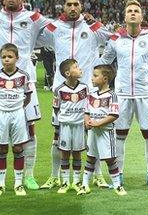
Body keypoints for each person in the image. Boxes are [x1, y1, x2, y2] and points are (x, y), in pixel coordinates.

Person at [0, 0, 51, 192]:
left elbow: (57, 28)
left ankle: (29, 176)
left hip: (25, 81)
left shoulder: (34, 17)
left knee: (30, 126)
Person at [38, 0, 111, 190]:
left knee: (92, 132)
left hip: (87, 91)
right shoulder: (55, 27)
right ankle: (55, 176)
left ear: (81, 6)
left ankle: (97, 175)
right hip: (61, 90)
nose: (72, 8)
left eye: (76, 4)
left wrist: (95, 22)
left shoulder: (91, 27)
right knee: (57, 133)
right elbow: (34, 39)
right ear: (63, 7)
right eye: (68, 4)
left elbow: (112, 40)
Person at [98, 0, 148, 188]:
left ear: (142, 17)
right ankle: (119, 175)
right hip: (122, 94)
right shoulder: (115, 39)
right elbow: (105, 62)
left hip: (145, 93)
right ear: (125, 16)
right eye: (129, 10)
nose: (133, 13)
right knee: (120, 135)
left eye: (136, 10)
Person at [0, 44, 33, 197]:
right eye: (4, 57)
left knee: (18, 148)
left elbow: (28, 96)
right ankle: (0, 184)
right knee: (1, 148)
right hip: (1, 115)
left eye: (10, 57)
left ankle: (18, 184)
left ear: (16, 58)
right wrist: (3, 106)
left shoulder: (23, 76)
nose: (6, 59)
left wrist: (18, 107)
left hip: (18, 114)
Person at [79, 65, 126, 196]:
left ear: (105, 79)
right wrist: (87, 121)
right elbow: (86, 111)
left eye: (95, 76)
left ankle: (117, 185)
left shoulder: (112, 95)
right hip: (93, 132)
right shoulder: (91, 95)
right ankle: (84, 185)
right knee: (90, 157)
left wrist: (98, 123)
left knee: (110, 159)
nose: (92, 78)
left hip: (106, 132)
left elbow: (114, 115)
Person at [52, 59, 89, 194]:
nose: (79, 69)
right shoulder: (59, 90)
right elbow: (56, 108)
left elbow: (87, 106)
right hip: (66, 126)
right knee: (65, 153)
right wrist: (65, 119)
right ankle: (66, 182)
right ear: (68, 73)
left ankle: (77, 181)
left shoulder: (84, 87)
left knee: (78, 153)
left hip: (79, 125)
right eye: (76, 67)